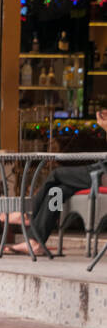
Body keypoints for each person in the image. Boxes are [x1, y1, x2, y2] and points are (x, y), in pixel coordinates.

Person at [9, 109, 107, 254]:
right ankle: (35, 242)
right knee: (57, 191)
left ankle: (28, 213)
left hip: (102, 175)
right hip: (100, 169)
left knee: (57, 174)